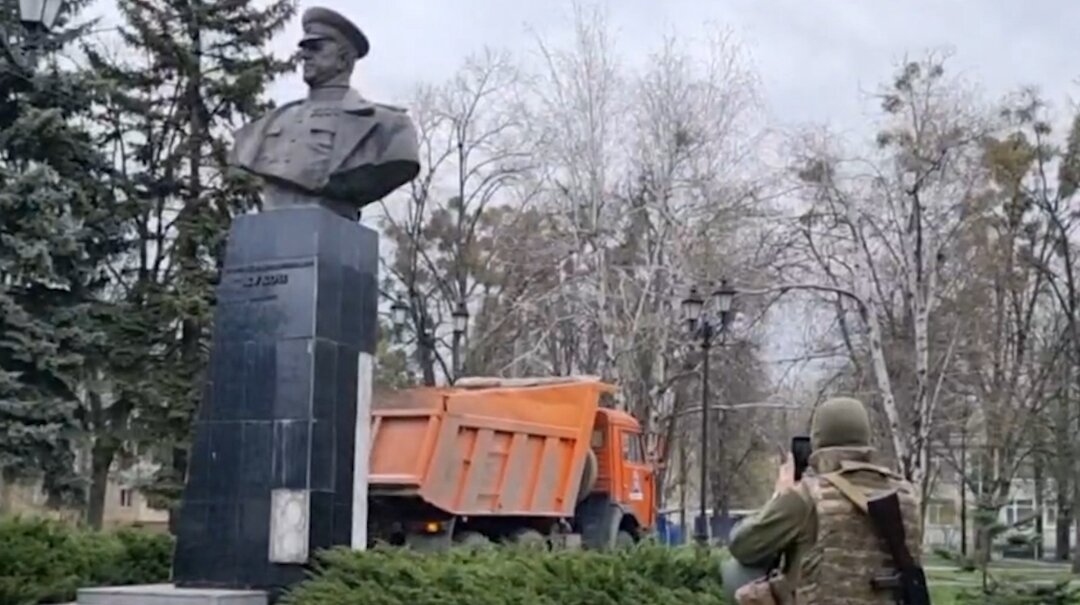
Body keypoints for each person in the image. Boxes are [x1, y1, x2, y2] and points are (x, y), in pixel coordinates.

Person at [721, 397, 923, 605]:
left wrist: (780, 496)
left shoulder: (807, 495)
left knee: (735, 570)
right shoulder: (906, 495)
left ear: (817, 443)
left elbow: (742, 546)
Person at [230, 6, 420, 220]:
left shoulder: (389, 127)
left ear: (344, 59)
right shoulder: (265, 125)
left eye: (316, 47)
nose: (304, 55)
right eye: (304, 48)